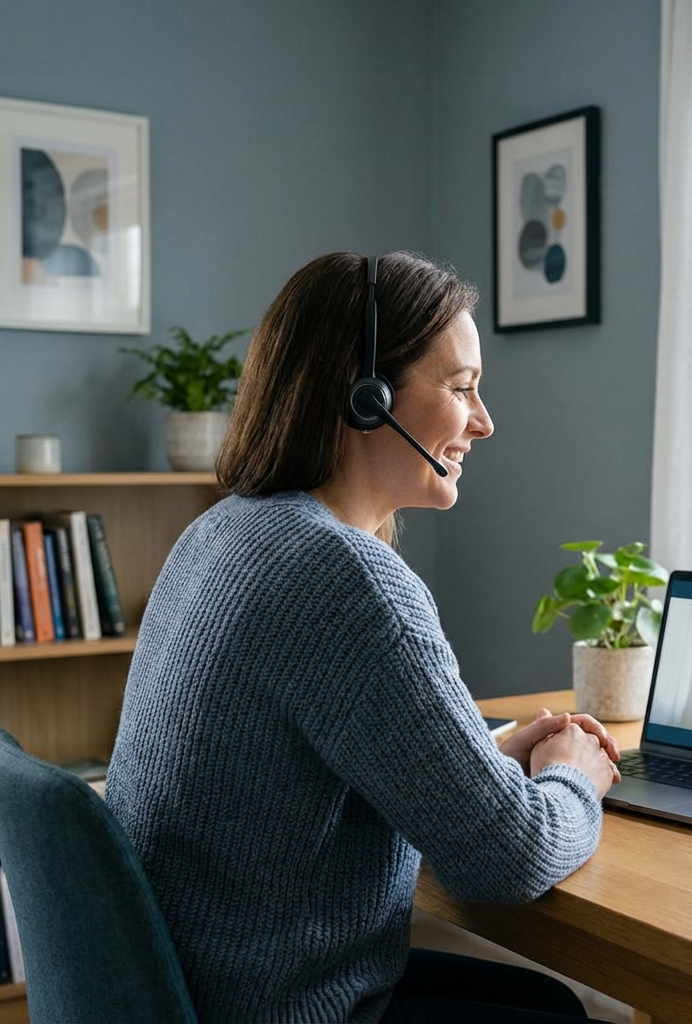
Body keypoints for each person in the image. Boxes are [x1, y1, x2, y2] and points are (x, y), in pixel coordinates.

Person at [106, 251, 621, 1024]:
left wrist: (479, 764)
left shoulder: (225, 531)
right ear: (367, 396)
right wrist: (575, 774)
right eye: (461, 388)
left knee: (546, 1002)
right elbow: (508, 859)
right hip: (281, 1006)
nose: (484, 421)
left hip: (204, 988)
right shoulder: (346, 577)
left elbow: (297, 770)